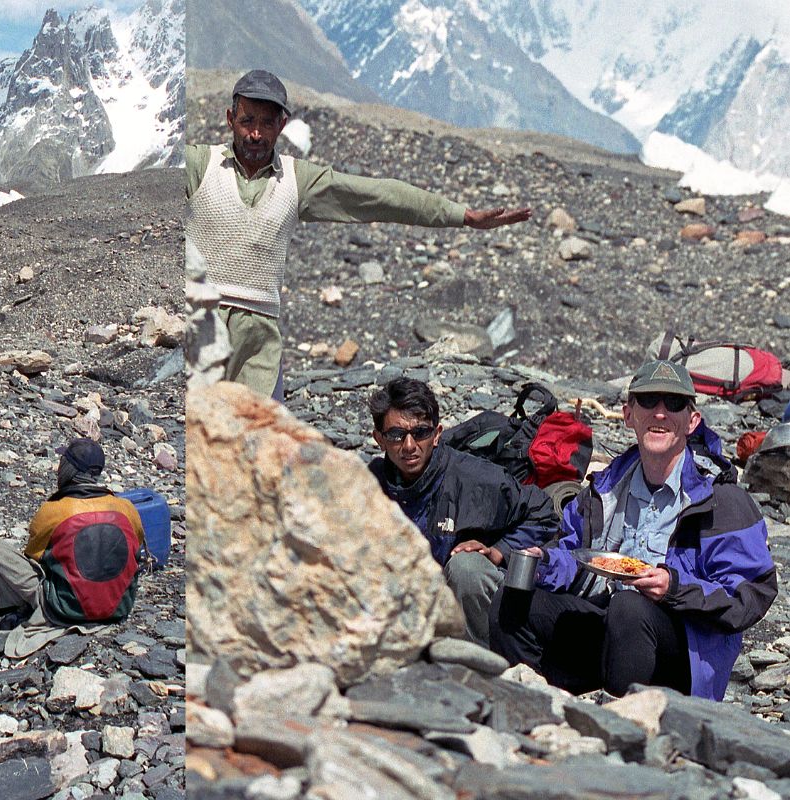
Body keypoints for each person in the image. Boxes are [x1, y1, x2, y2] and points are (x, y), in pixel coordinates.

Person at [185, 70, 532, 399]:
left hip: (257, 340)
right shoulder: (201, 165)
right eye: (247, 121)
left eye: (266, 123)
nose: (255, 134)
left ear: (282, 126)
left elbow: (377, 196)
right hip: (198, 324)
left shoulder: (296, 179)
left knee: (255, 444)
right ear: (230, 119)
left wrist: (462, 216)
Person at [490, 360, 778, 701]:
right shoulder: (606, 487)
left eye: (673, 404)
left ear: (692, 421)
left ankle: (624, 733)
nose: (659, 414)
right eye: (648, 401)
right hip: (608, 626)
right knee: (514, 599)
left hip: (683, 653)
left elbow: (750, 596)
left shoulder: (723, 500)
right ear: (629, 415)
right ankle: (535, 707)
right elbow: (575, 553)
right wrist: (544, 562)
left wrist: (674, 587)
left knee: (629, 608)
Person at [367, 377, 558, 647]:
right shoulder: (367, 484)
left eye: (420, 433)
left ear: (437, 434)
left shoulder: (476, 479)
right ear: (379, 439)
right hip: (401, 602)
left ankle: (477, 662)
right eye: (397, 435)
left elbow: (543, 513)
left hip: (463, 601)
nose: (409, 446)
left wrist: (498, 550)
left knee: (466, 568)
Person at [0, 439, 144, 642]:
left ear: (70, 469)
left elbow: (34, 558)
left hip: (65, 608)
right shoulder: (127, 508)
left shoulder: (53, 511)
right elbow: (135, 550)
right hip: (119, 607)